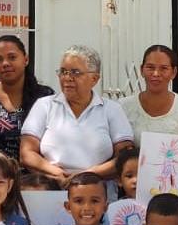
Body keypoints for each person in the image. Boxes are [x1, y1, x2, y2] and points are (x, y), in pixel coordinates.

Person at [21, 45, 135, 183]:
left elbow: (124, 156)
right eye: (63, 72)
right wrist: (56, 173)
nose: (67, 78)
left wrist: (87, 175)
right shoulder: (44, 105)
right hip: (52, 187)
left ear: (94, 78)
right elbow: (26, 153)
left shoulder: (112, 109)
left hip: (97, 190)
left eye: (75, 72)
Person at [0, 35, 56, 158]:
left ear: (25, 59)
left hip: (34, 175)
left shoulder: (44, 97)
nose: (5, 63)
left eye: (12, 57)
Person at [122, 45, 178, 137]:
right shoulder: (124, 106)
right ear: (142, 70)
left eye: (164, 68)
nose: (156, 74)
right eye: (150, 67)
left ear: (174, 72)